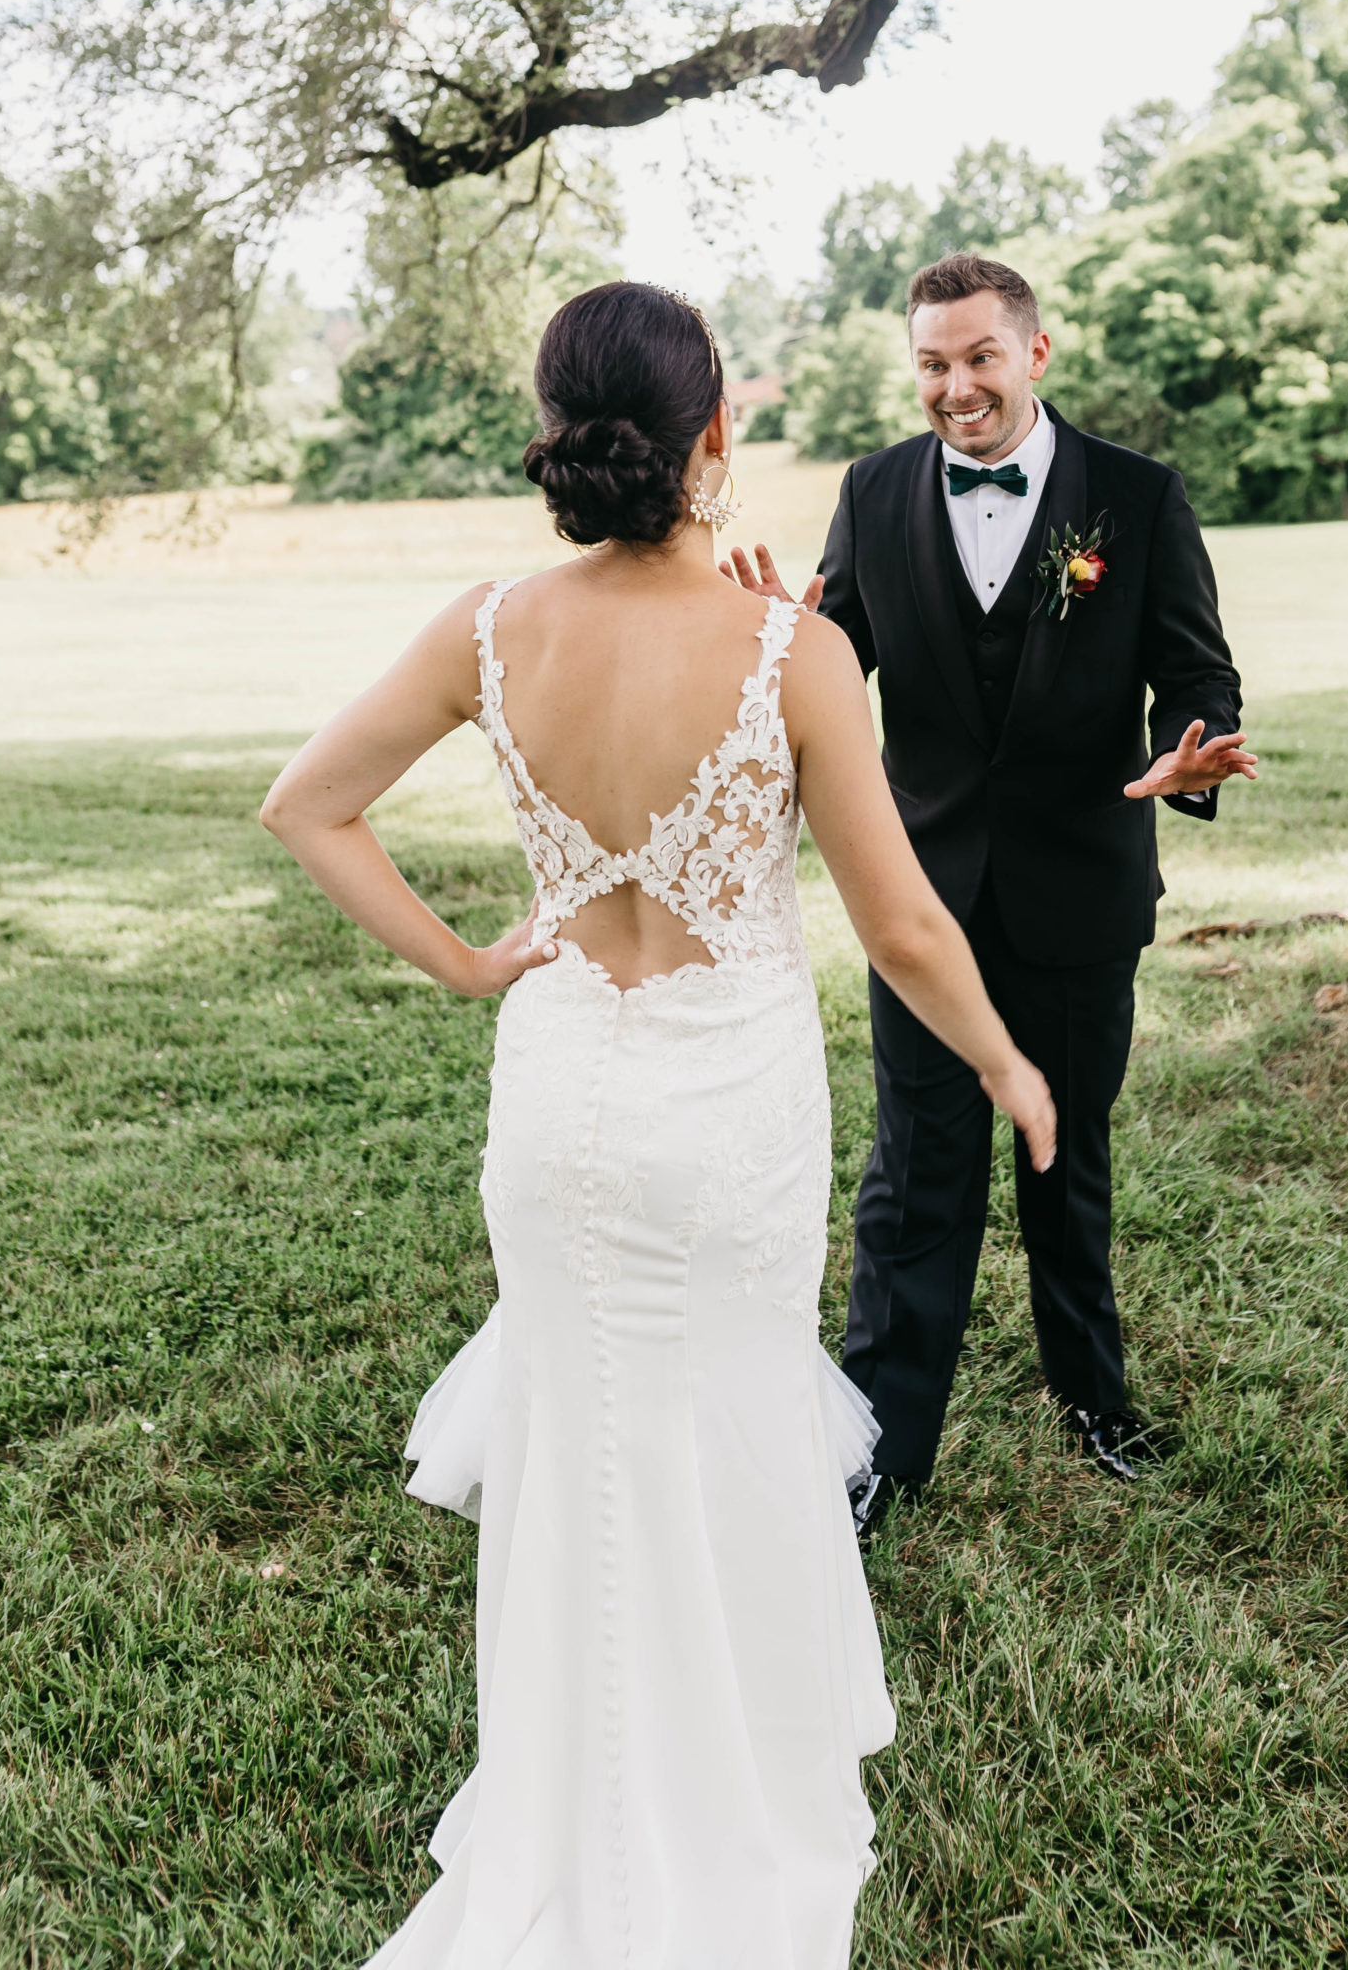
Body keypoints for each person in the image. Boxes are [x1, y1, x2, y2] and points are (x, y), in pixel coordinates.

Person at [259, 280, 1056, 1970]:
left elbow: (306, 805)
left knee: (580, 1443)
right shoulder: (793, 653)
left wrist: (469, 964)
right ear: (715, 432)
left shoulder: (489, 629)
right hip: (727, 1112)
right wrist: (1006, 1064)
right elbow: (905, 928)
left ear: (562, 434)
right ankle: (725, 1784)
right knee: (728, 1426)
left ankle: (568, 1792)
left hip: (556, 1099)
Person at [724, 251, 1254, 1527]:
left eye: (979, 358)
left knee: (1068, 1161)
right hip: (921, 903)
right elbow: (835, 661)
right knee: (916, 1175)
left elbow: (1196, 670)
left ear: (1035, 352)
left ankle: (1094, 1402)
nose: (956, 386)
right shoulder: (873, 490)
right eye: (932, 363)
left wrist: (1187, 750)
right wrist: (778, 643)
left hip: (1081, 892)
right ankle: (880, 1449)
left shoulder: (1137, 496)